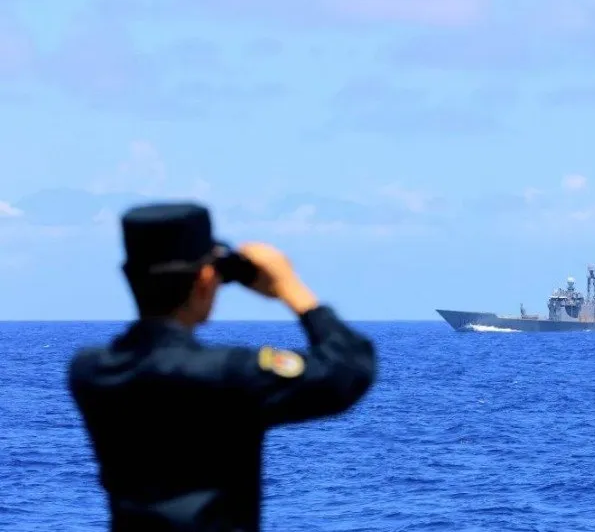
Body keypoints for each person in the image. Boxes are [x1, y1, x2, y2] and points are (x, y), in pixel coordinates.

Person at [67, 202, 377, 532]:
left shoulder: (89, 371)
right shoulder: (230, 373)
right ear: (206, 279)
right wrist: (289, 286)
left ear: (128, 277)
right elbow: (349, 367)